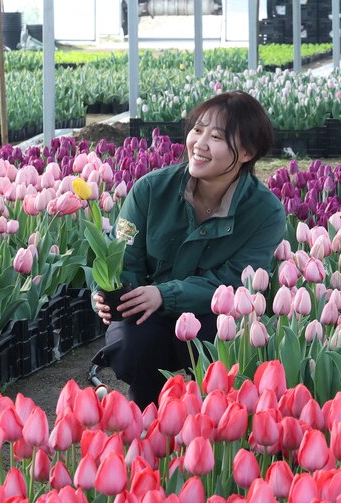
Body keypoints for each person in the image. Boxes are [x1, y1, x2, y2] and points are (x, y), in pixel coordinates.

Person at [91, 91, 287, 408]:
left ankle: (216, 418)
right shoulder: (151, 190)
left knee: (215, 349)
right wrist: (106, 293)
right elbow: (121, 259)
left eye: (217, 137)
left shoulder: (265, 212)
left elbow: (238, 280)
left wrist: (166, 294)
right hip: (149, 311)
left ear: (248, 152)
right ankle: (147, 412)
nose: (199, 143)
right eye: (198, 130)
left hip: (211, 314)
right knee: (132, 348)